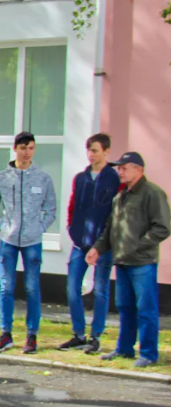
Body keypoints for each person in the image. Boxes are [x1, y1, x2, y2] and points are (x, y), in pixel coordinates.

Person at [87, 152, 170, 367]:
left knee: (146, 308)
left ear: (138, 169)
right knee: (125, 307)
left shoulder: (152, 193)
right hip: (122, 261)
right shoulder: (120, 197)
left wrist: (138, 245)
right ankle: (124, 349)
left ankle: (149, 353)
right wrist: (97, 248)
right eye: (119, 168)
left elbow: (163, 227)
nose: (120, 172)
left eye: (124, 168)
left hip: (142, 262)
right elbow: (110, 229)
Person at [0, 131, 57, 354]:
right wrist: (3, 227)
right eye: (23, 148)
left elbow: (51, 210)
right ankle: (5, 333)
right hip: (8, 241)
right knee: (6, 287)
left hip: (32, 242)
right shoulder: (2, 177)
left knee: (32, 288)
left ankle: (31, 335)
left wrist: (39, 228)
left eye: (31, 148)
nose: (27, 153)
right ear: (15, 148)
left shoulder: (43, 178)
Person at [61, 134, 121, 353]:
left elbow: (114, 214)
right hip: (80, 243)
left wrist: (103, 243)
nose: (90, 154)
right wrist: (71, 229)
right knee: (72, 288)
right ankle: (78, 334)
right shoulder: (80, 178)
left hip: (104, 245)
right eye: (88, 150)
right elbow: (72, 206)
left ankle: (95, 336)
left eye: (95, 150)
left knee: (101, 289)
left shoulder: (114, 179)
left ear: (106, 151)